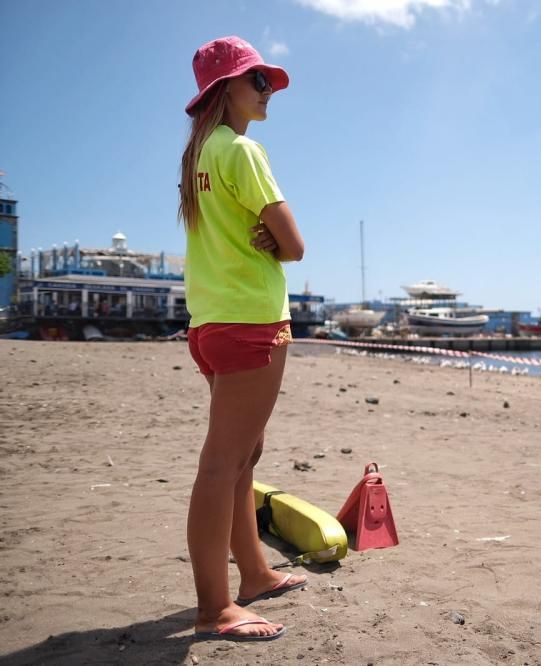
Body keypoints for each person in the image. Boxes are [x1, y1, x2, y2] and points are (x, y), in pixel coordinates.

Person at [178, 36, 307, 642]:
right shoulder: (241, 151)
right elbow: (295, 245)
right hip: (252, 319)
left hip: (210, 321)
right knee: (223, 463)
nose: (268, 90)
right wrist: (275, 241)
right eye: (257, 80)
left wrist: (267, 238)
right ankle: (215, 608)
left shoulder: (198, 154)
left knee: (241, 458)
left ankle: (253, 573)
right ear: (224, 89)